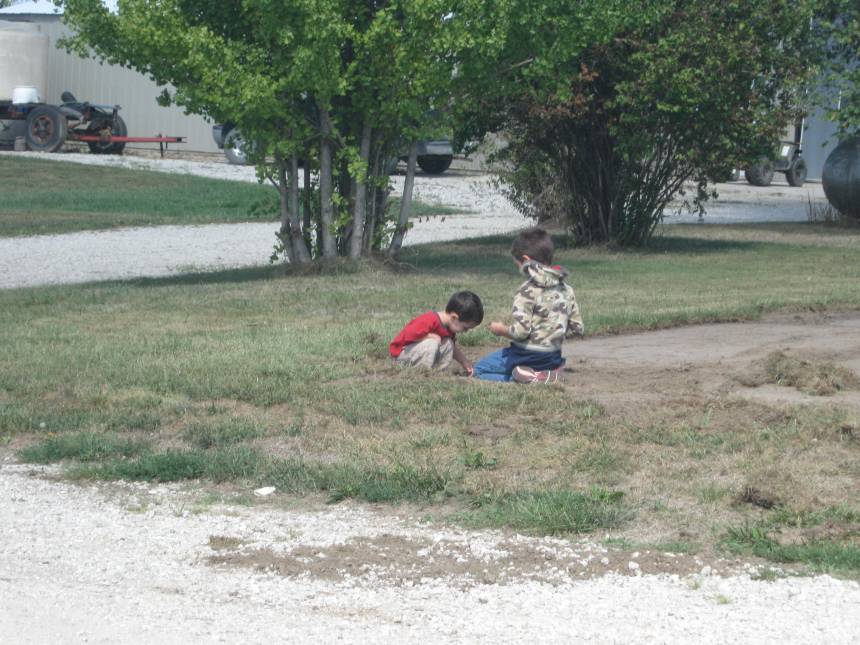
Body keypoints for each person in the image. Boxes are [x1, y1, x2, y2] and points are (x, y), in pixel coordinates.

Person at [473, 228, 583, 384]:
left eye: (517, 263)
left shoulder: (526, 291)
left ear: (525, 260)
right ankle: (546, 373)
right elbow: (578, 329)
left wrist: (500, 330)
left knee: (479, 370)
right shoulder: (567, 290)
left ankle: (526, 379)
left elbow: (521, 332)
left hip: (526, 356)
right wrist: (553, 335)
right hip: (552, 357)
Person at [390, 290, 484, 374]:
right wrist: (429, 336)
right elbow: (408, 335)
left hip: (416, 354)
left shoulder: (450, 327)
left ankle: (437, 373)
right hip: (402, 355)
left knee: (449, 343)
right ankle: (422, 373)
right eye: (465, 328)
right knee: (432, 343)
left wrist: (464, 361)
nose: (466, 331)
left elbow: (453, 349)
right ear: (454, 317)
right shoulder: (430, 319)